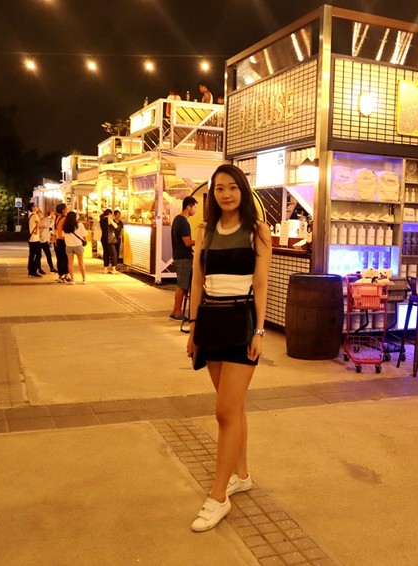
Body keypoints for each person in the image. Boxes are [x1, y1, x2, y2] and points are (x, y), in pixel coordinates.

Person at [186, 164, 272, 532]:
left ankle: (218, 495)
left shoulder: (258, 231)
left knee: (224, 412)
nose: (226, 194)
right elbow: (197, 280)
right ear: (212, 194)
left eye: (233, 187)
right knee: (234, 408)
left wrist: (260, 331)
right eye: (219, 188)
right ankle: (241, 475)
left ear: (243, 191)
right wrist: (192, 328)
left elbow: (262, 284)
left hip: (241, 324)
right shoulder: (204, 231)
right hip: (210, 321)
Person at [170, 196, 197, 321]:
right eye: (194, 207)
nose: (195, 210)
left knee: (182, 285)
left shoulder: (177, 219)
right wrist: (200, 240)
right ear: (188, 207)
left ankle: (175, 311)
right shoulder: (184, 222)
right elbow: (187, 242)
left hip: (178, 257)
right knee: (182, 286)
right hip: (183, 258)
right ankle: (177, 313)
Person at [62, 211, 88, 285]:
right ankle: (84, 279)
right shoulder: (79, 224)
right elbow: (84, 235)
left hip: (69, 246)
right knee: (81, 262)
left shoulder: (65, 226)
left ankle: (72, 279)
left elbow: (63, 236)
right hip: (78, 245)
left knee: (70, 263)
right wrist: (86, 241)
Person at [54, 203, 70, 283]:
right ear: (63, 210)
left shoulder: (58, 218)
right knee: (64, 258)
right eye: (66, 208)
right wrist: (64, 237)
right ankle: (64, 274)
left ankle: (61, 275)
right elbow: (60, 230)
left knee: (60, 258)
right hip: (62, 240)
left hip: (58, 240)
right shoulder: (64, 218)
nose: (68, 208)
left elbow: (55, 230)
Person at [27, 203, 43, 277]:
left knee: (32, 255)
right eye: (36, 206)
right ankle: (33, 271)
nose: (37, 207)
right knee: (39, 255)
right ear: (33, 208)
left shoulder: (31, 216)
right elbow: (37, 223)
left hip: (31, 238)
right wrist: (37, 230)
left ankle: (30, 271)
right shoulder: (35, 215)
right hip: (35, 238)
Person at [39, 210, 56, 274]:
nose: (41, 215)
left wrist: (52, 217)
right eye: (39, 214)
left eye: (41, 214)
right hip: (38, 240)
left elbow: (51, 223)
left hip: (45, 241)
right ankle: (39, 268)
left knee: (48, 255)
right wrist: (42, 228)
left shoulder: (45, 220)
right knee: (39, 256)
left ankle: (52, 268)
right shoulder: (37, 221)